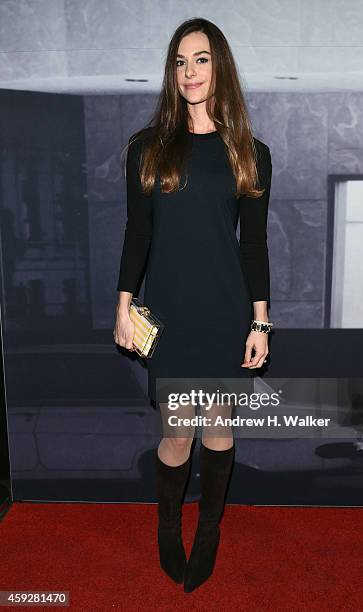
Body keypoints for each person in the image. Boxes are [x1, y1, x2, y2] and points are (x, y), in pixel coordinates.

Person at [113, 17, 273, 592]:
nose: (189, 72)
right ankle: (166, 523)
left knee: (219, 428)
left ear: (219, 66)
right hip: (171, 314)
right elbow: (138, 233)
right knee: (178, 431)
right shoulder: (146, 149)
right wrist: (123, 307)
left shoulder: (250, 153)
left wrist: (260, 322)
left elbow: (252, 246)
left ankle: (209, 529)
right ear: (171, 71)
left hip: (226, 312)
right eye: (180, 61)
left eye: (200, 59)